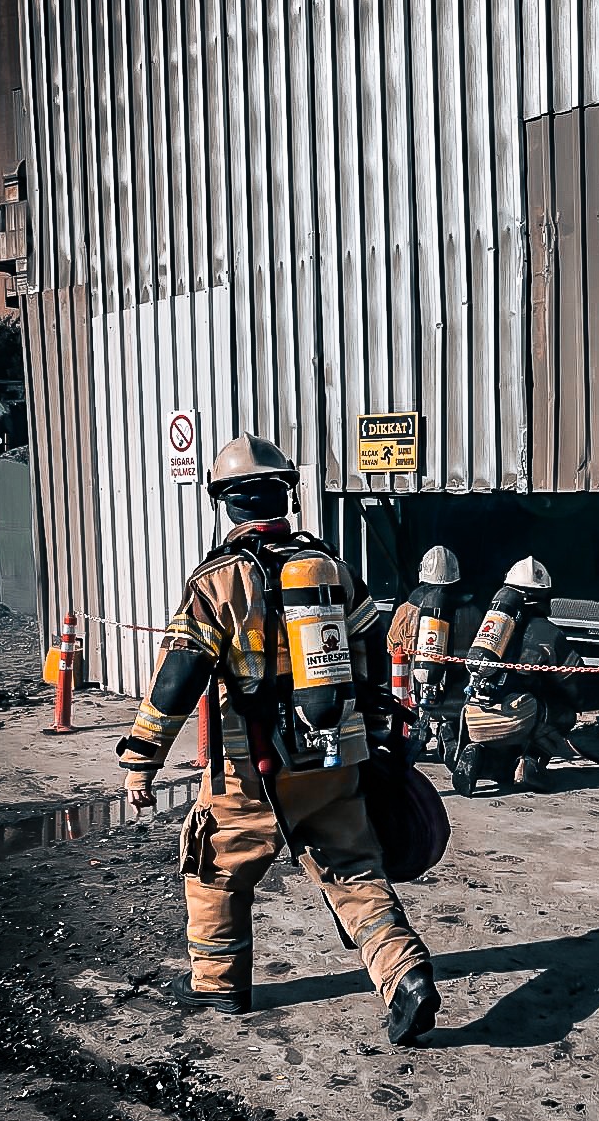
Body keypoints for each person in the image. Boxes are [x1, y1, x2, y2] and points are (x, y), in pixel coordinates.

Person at [116, 433, 440, 1044]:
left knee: (215, 867)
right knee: (353, 868)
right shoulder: (334, 569)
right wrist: (371, 740)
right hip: (335, 759)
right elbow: (370, 658)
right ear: (285, 494)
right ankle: (406, 976)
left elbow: (180, 674)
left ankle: (219, 988)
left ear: (225, 502)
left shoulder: (216, 580)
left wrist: (142, 760)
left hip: (253, 769)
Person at [452, 556, 581, 796]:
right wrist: (572, 702)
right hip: (513, 717)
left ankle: (479, 753)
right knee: (562, 714)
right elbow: (571, 678)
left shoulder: (490, 628)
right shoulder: (548, 633)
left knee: (517, 710)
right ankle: (532, 762)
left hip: (472, 718)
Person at [386, 546, 477, 760]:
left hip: (419, 689)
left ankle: (419, 736)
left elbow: (393, 646)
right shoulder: (472, 609)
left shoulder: (407, 609)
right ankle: (449, 732)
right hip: (458, 690)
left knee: (417, 716)